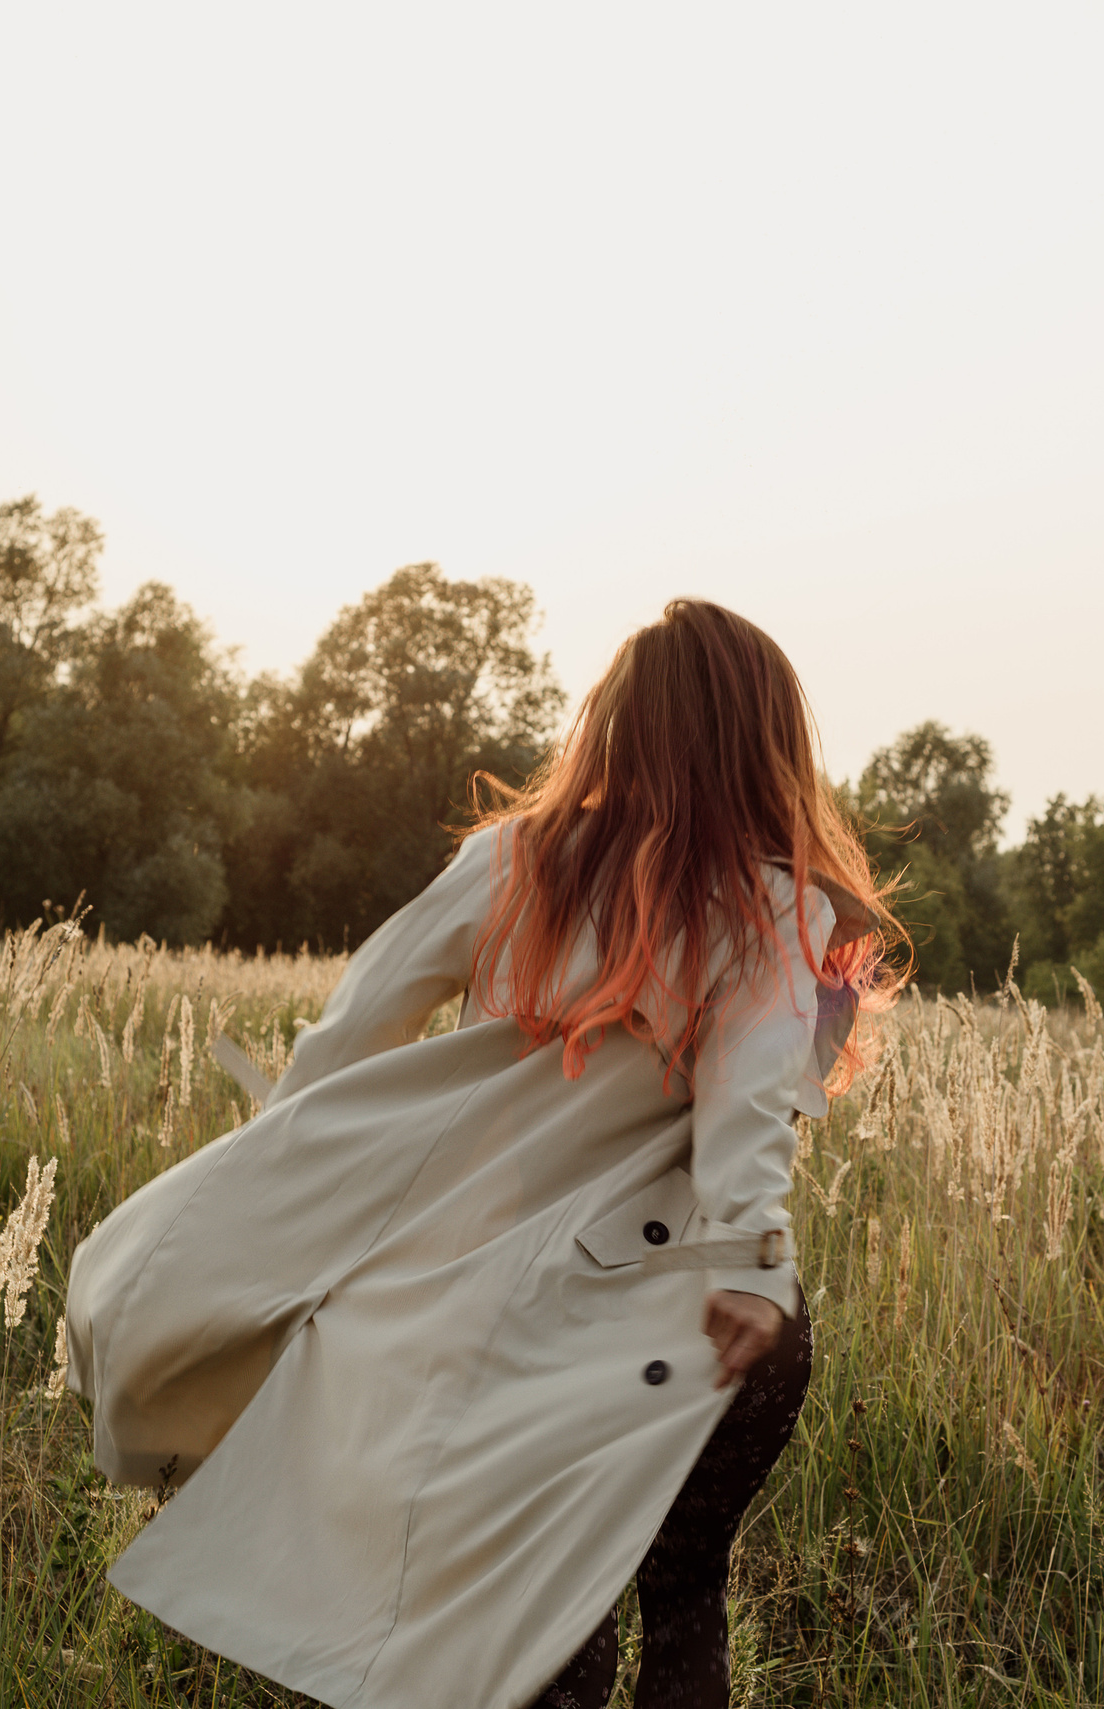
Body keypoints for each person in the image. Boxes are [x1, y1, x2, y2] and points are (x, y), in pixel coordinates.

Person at [64, 599, 905, 1709]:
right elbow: (750, 1111)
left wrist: (292, 1185)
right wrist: (749, 1261)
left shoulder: (513, 859)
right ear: (768, 740)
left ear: (615, 724)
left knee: (531, 1625)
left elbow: (349, 1036)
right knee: (688, 1598)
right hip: (710, 1309)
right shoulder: (782, 910)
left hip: (526, 1308)